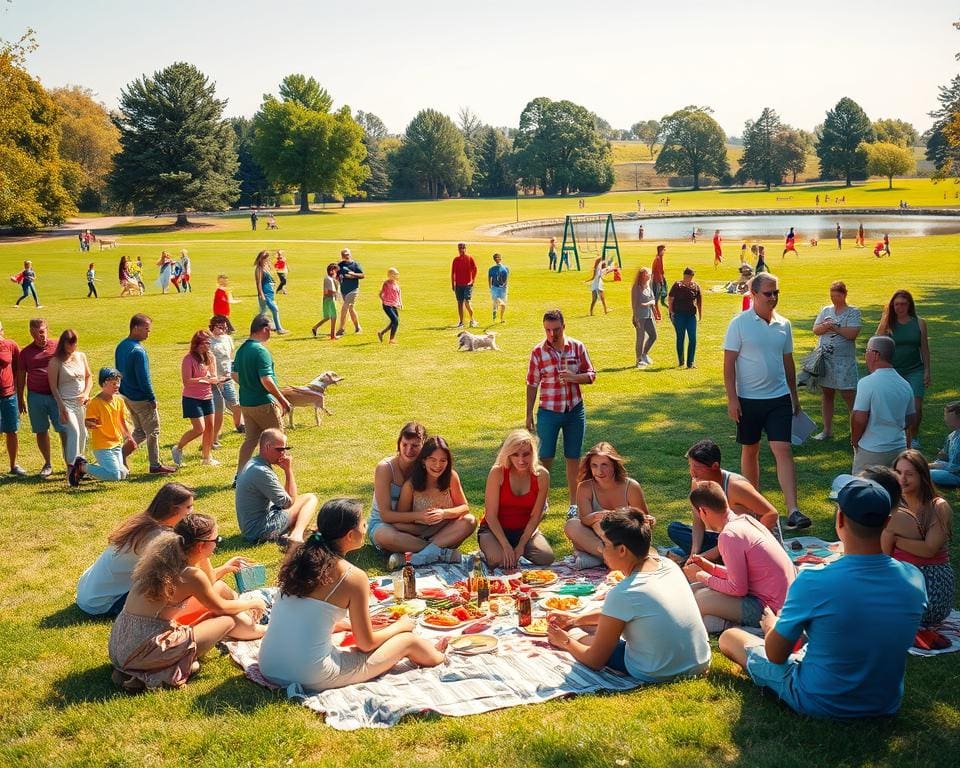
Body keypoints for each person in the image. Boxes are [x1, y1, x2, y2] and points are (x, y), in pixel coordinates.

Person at [719, 477, 926, 719]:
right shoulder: (913, 577)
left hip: (818, 699)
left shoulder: (814, 581)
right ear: (887, 522)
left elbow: (776, 655)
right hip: (885, 702)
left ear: (840, 519)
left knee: (730, 637)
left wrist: (770, 626)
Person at [258, 498, 446, 692]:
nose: (365, 528)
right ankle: (441, 655)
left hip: (269, 665)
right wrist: (401, 626)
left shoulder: (300, 559)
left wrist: (348, 625)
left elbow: (307, 613)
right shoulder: (353, 577)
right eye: (363, 524)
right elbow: (366, 643)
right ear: (350, 535)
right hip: (309, 675)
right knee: (409, 640)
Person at [547, 508, 711, 682]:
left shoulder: (624, 593)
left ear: (622, 550)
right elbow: (621, 613)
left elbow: (595, 660)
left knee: (579, 637)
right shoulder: (669, 565)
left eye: (605, 544)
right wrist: (575, 619)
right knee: (586, 627)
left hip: (658, 671)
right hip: (698, 662)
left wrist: (565, 641)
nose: (600, 550)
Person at [108, 513, 266, 691]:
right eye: (217, 540)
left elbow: (211, 583)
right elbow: (221, 607)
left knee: (219, 591)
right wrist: (254, 603)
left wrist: (210, 557)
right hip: (145, 648)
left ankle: (134, 670)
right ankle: (154, 673)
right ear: (200, 545)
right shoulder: (190, 575)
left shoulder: (165, 557)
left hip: (121, 642)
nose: (217, 545)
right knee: (227, 621)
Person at [723, 274, 809, 530]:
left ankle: (793, 510)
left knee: (782, 449)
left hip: (779, 399)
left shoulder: (784, 324)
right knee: (750, 450)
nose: (773, 297)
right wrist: (732, 399)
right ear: (753, 294)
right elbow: (728, 364)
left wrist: (795, 396)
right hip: (748, 400)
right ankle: (754, 508)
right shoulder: (738, 324)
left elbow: (788, 363)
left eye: (776, 293)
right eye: (768, 293)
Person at [682, 481, 795, 633]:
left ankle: (730, 625)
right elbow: (741, 576)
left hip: (771, 609)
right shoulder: (746, 520)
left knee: (698, 600)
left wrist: (702, 576)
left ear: (703, 511)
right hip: (785, 600)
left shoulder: (729, 535)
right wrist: (711, 568)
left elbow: (738, 588)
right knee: (695, 590)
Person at [76, 483, 195, 617]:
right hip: (103, 604)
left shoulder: (143, 522)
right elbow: (181, 574)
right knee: (175, 590)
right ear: (174, 509)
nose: (192, 511)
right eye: (189, 507)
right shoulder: (159, 537)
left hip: (88, 594)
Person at [525, 309, 597, 511]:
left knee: (573, 457)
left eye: (556, 329)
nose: (552, 334)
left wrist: (575, 377)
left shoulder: (577, 347)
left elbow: (591, 374)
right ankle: (542, 500)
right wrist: (528, 413)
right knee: (544, 457)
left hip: (574, 410)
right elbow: (532, 384)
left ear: (564, 327)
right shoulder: (538, 352)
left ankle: (574, 504)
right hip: (548, 411)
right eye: (547, 330)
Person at [667, 439, 780, 563]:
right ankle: (704, 556)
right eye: (690, 466)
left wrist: (708, 555)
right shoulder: (697, 482)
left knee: (719, 550)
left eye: (697, 467)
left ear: (715, 466)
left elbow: (771, 514)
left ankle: (713, 557)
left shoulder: (736, 487)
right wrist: (694, 553)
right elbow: (698, 520)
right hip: (723, 538)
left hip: (747, 541)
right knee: (675, 529)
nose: (692, 472)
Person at [884, 450, 954, 627]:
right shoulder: (896, 503)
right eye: (898, 473)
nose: (902, 479)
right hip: (904, 579)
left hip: (931, 585)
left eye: (909, 474)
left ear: (922, 476)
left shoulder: (938, 506)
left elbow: (929, 549)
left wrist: (895, 539)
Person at [565, 442, 650, 570]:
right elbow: (585, 520)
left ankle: (601, 558)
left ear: (614, 466)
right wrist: (599, 516)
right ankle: (608, 557)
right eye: (594, 465)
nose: (599, 471)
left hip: (624, 538)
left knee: (604, 523)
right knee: (573, 525)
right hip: (596, 538)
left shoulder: (631, 486)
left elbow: (643, 523)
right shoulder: (584, 487)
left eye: (604, 465)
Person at [395, 435, 476, 565]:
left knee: (470, 520)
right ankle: (439, 553)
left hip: (446, 530)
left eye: (443, 460)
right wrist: (422, 523)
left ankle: (420, 557)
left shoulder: (451, 477)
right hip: (419, 535)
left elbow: (464, 507)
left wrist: (444, 514)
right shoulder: (410, 486)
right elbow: (398, 520)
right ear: (423, 461)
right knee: (389, 536)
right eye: (432, 460)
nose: (438, 465)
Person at [479, 428, 554, 569]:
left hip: (524, 531)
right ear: (508, 455)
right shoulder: (498, 472)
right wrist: (506, 545)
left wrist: (521, 545)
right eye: (515, 455)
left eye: (526, 454)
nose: (521, 460)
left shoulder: (542, 475)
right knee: (500, 561)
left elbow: (536, 516)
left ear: (533, 453)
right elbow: (490, 516)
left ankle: (515, 550)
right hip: (494, 530)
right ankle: (493, 550)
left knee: (546, 557)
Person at [115, 314, 176, 475]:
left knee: (140, 431)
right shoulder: (138, 351)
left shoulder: (121, 346)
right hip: (141, 398)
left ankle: (119, 455)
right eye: (146, 329)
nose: (148, 333)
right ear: (135, 328)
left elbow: (118, 372)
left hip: (127, 396)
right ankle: (155, 465)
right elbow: (144, 378)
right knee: (153, 431)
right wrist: (152, 398)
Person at [233, 314, 291, 478]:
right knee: (278, 440)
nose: (270, 334)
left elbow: (234, 374)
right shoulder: (260, 351)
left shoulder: (242, 349)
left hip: (246, 403)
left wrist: (248, 385)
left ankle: (240, 475)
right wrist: (282, 399)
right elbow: (266, 380)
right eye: (270, 330)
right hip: (264, 404)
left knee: (250, 440)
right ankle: (280, 476)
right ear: (264, 329)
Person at [235, 428, 317, 544]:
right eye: (280, 449)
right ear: (267, 447)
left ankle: (289, 532)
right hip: (259, 531)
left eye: (285, 449)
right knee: (310, 498)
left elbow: (284, 500)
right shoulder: (261, 471)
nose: (283, 453)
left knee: (302, 504)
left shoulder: (253, 463)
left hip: (251, 529)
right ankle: (296, 535)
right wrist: (288, 471)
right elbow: (289, 503)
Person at [850, 336, 916, 474]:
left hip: (872, 449)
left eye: (867, 350)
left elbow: (859, 418)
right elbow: (911, 419)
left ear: (875, 355)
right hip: (898, 448)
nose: (865, 355)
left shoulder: (867, 383)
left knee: (865, 491)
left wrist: (855, 441)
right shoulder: (905, 385)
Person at [876, 290, 930, 448]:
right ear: (892, 305)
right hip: (893, 370)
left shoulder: (919, 322)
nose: (900, 307)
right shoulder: (887, 323)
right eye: (897, 304)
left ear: (910, 305)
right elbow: (876, 344)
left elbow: (924, 349)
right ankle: (895, 435)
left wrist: (927, 370)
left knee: (916, 406)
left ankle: (913, 435)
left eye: (904, 304)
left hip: (915, 369)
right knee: (893, 405)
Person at [811, 281, 862, 440]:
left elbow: (851, 334)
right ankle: (827, 430)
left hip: (844, 361)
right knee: (827, 393)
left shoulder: (853, 312)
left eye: (837, 296)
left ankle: (857, 430)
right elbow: (816, 330)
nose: (834, 299)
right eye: (832, 296)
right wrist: (826, 325)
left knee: (848, 394)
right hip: (825, 359)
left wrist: (834, 328)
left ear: (845, 294)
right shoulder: (826, 310)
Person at [17, 318, 67, 477]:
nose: (42, 336)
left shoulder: (57, 345)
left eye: (43, 331)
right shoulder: (25, 353)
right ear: (31, 333)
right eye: (38, 333)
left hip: (57, 396)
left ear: (47, 329)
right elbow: (21, 376)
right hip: (36, 396)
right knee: (41, 430)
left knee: (64, 430)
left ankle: (70, 463)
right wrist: (20, 397)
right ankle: (47, 463)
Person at [48, 329, 92, 484]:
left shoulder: (81, 356)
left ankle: (80, 466)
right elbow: (53, 386)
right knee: (74, 432)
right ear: (63, 343)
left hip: (80, 402)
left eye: (75, 343)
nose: (73, 347)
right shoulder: (55, 362)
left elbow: (88, 376)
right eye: (70, 344)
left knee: (84, 434)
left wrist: (86, 393)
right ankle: (71, 469)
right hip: (66, 402)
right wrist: (61, 407)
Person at [172, 330, 220, 467]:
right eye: (206, 342)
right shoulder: (188, 359)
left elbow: (214, 376)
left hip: (207, 396)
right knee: (199, 428)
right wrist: (203, 379)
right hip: (192, 398)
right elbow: (187, 381)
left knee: (209, 428)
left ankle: (207, 457)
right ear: (198, 343)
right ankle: (178, 448)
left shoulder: (210, 357)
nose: (209, 345)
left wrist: (217, 380)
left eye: (210, 342)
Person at [83, 367, 134, 482]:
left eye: (118, 383)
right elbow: (89, 422)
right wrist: (89, 423)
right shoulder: (94, 403)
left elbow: (121, 421)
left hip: (116, 443)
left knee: (123, 474)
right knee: (114, 476)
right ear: (103, 384)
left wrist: (129, 438)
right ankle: (82, 467)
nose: (117, 386)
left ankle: (100, 467)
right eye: (113, 383)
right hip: (102, 445)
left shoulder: (119, 401)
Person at [208, 315, 242, 447]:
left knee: (236, 405)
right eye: (220, 327)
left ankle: (239, 425)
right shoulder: (208, 341)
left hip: (227, 378)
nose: (223, 330)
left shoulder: (228, 339)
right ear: (212, 326)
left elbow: (230, 356)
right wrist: (214, 377)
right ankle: (213, 438)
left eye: (225, 328)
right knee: (218, 411)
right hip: (214, 381)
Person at [0, 321, 26, 476]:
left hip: (9, 395)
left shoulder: (11, 345)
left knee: (12, 430)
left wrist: (17, 391)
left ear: (3, 331)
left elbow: (19, 367)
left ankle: (13, 465)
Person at [667, 267, 702, 369]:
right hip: (679, 315)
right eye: (689, 276)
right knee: (680, 337)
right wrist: (671, 312)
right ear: (685, 276)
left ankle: (690, 362)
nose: (690, 278)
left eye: (691, 277)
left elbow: (699, 300)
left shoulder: (695, 286)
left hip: (691, 316)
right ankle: (681, 360)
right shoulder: (677, 285)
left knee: (692, 338)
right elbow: (670, 299)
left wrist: (700, 314)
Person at [630, 266, 660, 368]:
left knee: (653, 335)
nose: (650, 275)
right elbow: (635, 303)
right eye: (648, 274)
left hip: (648, 315)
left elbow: (652, 301)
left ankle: (644, 354)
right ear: (643, 276)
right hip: (640, 316)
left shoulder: (648, 286)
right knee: (640, 338)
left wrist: (655, 313)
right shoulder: (636, 287)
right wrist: (635, 316)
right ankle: (639, 360)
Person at [254, 250, 287, 335]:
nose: (267, 260)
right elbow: (258, 283)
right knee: (274, 310)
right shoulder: (259, 269)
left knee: (263, 312)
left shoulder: (267, 266)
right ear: (261, 259)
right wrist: (261, 294)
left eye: (267, 258)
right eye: (265, 259)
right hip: (265, 293)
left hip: (270, 292)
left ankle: (259, 329)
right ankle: (279, 329)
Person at [929, 402, 960, 488]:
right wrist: (942, 456)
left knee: (926, 474)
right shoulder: (952, 435)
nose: (945, 419)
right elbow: (945, 457)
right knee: (932, 466)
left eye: (947, 416)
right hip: (950, 467)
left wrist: (937, 466)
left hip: (956, 474)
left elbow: (955, 469)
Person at [336, 248, 365, 336]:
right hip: (344, 290)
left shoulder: (355, 264)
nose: (346, 256)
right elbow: (336, 276)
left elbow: (362, 275)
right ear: (342, 256)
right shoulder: (339, 265)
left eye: (347, 254)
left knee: (345, 307)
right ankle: (357, 327)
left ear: (350, 254)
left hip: (353, 290)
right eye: (344, 255)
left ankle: (341, 329)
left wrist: (353, 274)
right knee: (351, 309)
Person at [451, 242, 478, 328]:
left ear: (465, 249)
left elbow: (475, 269)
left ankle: (472, 320)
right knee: (459, 303)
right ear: (458, 249)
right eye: (460, 248)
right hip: (458, 285)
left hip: (467, 284)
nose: (462, 250)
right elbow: (453, 273)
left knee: (467, 302)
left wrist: (472, 280)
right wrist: (453, 284)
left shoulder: (470, 258)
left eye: (463, 248)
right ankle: (461, 322)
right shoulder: (456, 260)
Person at [312, 263, 340, 340]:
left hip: (328, 299)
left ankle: (315, 327)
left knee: (328, 316)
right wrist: (337, 293)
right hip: (330, 299)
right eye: (335, 271)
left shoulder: (330, 279)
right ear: (332, 271)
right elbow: (327, 292)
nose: (336, 274)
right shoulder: (328, 279)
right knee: (334, 316)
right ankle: (333, 336)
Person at [377, 268, 402, 344]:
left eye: (396, 274)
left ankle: (381, 333)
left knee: (394, 322)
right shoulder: (386, 283)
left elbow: (399, 294)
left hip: (394, 305)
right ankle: (392, 340)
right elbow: (380, 294)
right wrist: (384, 301)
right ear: (389, 275)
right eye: (394, 274)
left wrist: (400, 303)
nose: (395, 275)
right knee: (396, 321)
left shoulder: (396, 284)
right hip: (387, 305)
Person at [488, 253, 509, 323]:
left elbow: (506, 277)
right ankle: (495, 310)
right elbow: (489, 277)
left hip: (503, 288)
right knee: (497, 300)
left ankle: (502, 318)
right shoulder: (492, 269)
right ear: (494, 259)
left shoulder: (505, 268)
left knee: (503, 305)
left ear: (500, 258)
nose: (497, 259)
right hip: (495, 287)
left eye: (498, 257)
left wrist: (505, 285)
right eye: (495, 258)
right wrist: (490, 286)